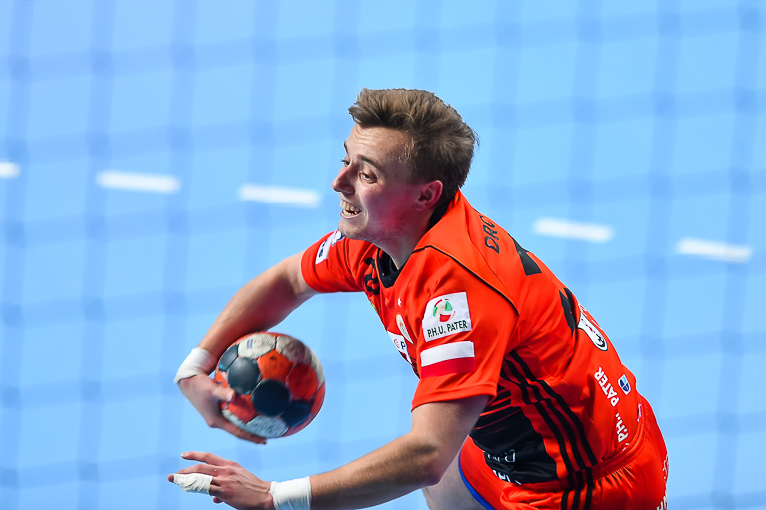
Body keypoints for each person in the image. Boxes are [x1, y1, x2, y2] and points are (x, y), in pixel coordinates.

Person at [169, 88, 669, 510]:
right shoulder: (375, 239)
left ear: (426, 195)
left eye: (367, 175)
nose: (338, 183)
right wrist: (197, 365)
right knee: (447, 470)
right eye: (345, 160)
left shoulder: (457, 291)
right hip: (512, 447)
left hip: (587, 488)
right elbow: (287, 281)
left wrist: (274, 497)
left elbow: (426, 453)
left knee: (434, 457)